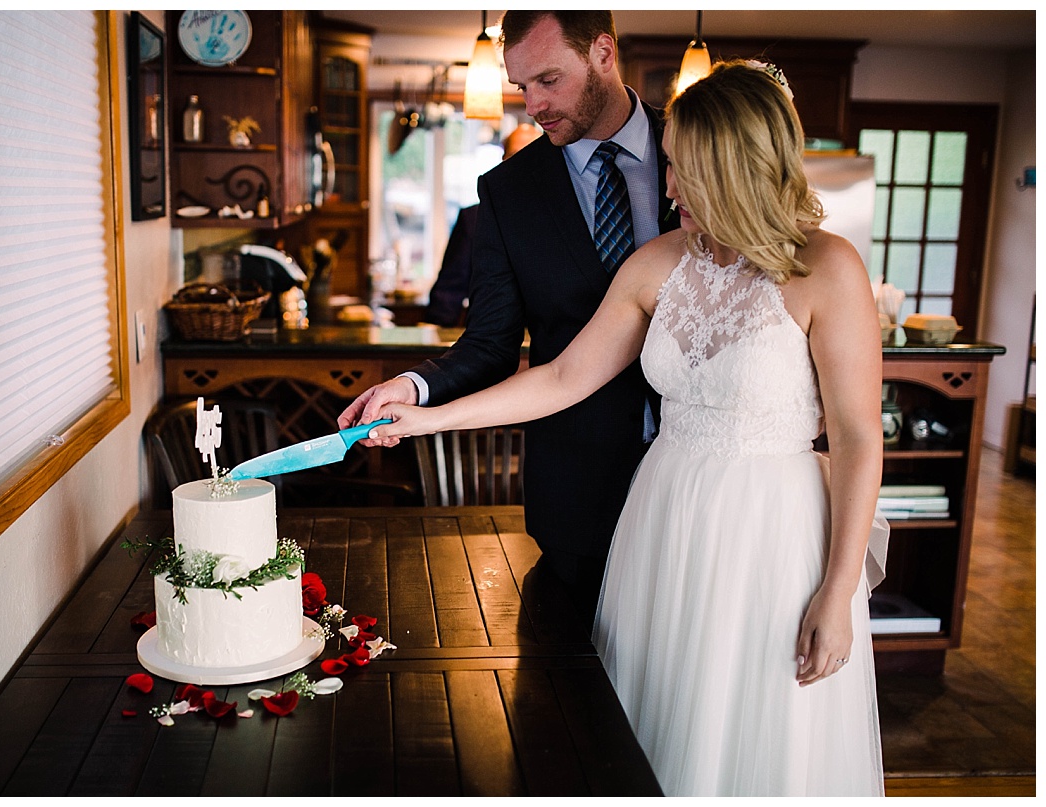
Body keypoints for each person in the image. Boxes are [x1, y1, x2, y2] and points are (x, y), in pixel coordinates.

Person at [366, 60, 888, 796]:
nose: (666, 186)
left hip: (769, 537)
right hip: (663, 521)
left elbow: (861, 437)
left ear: (734, 171)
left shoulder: (828, 269)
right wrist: (427, 418)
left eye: (682, 170)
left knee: (752, 723)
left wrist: (838, 591)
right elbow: (559, 378)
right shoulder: (658, 263)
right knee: (649, 726)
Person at [340, 11, 677, 628]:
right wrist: (412, 388)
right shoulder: (507, 192)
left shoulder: (689, 146)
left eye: (549, 79)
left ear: (603, 52)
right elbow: (490, 343)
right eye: (522, 87)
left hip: (697, 478)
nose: (534, 106)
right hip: (577, 489)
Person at [424, 123, 542, 327]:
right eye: (515, 155)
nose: (524, 163)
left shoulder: (566, 214)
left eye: (532, 155)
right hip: (492, 341)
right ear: (504, 162)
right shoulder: (474, 218)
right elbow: (448, 293)